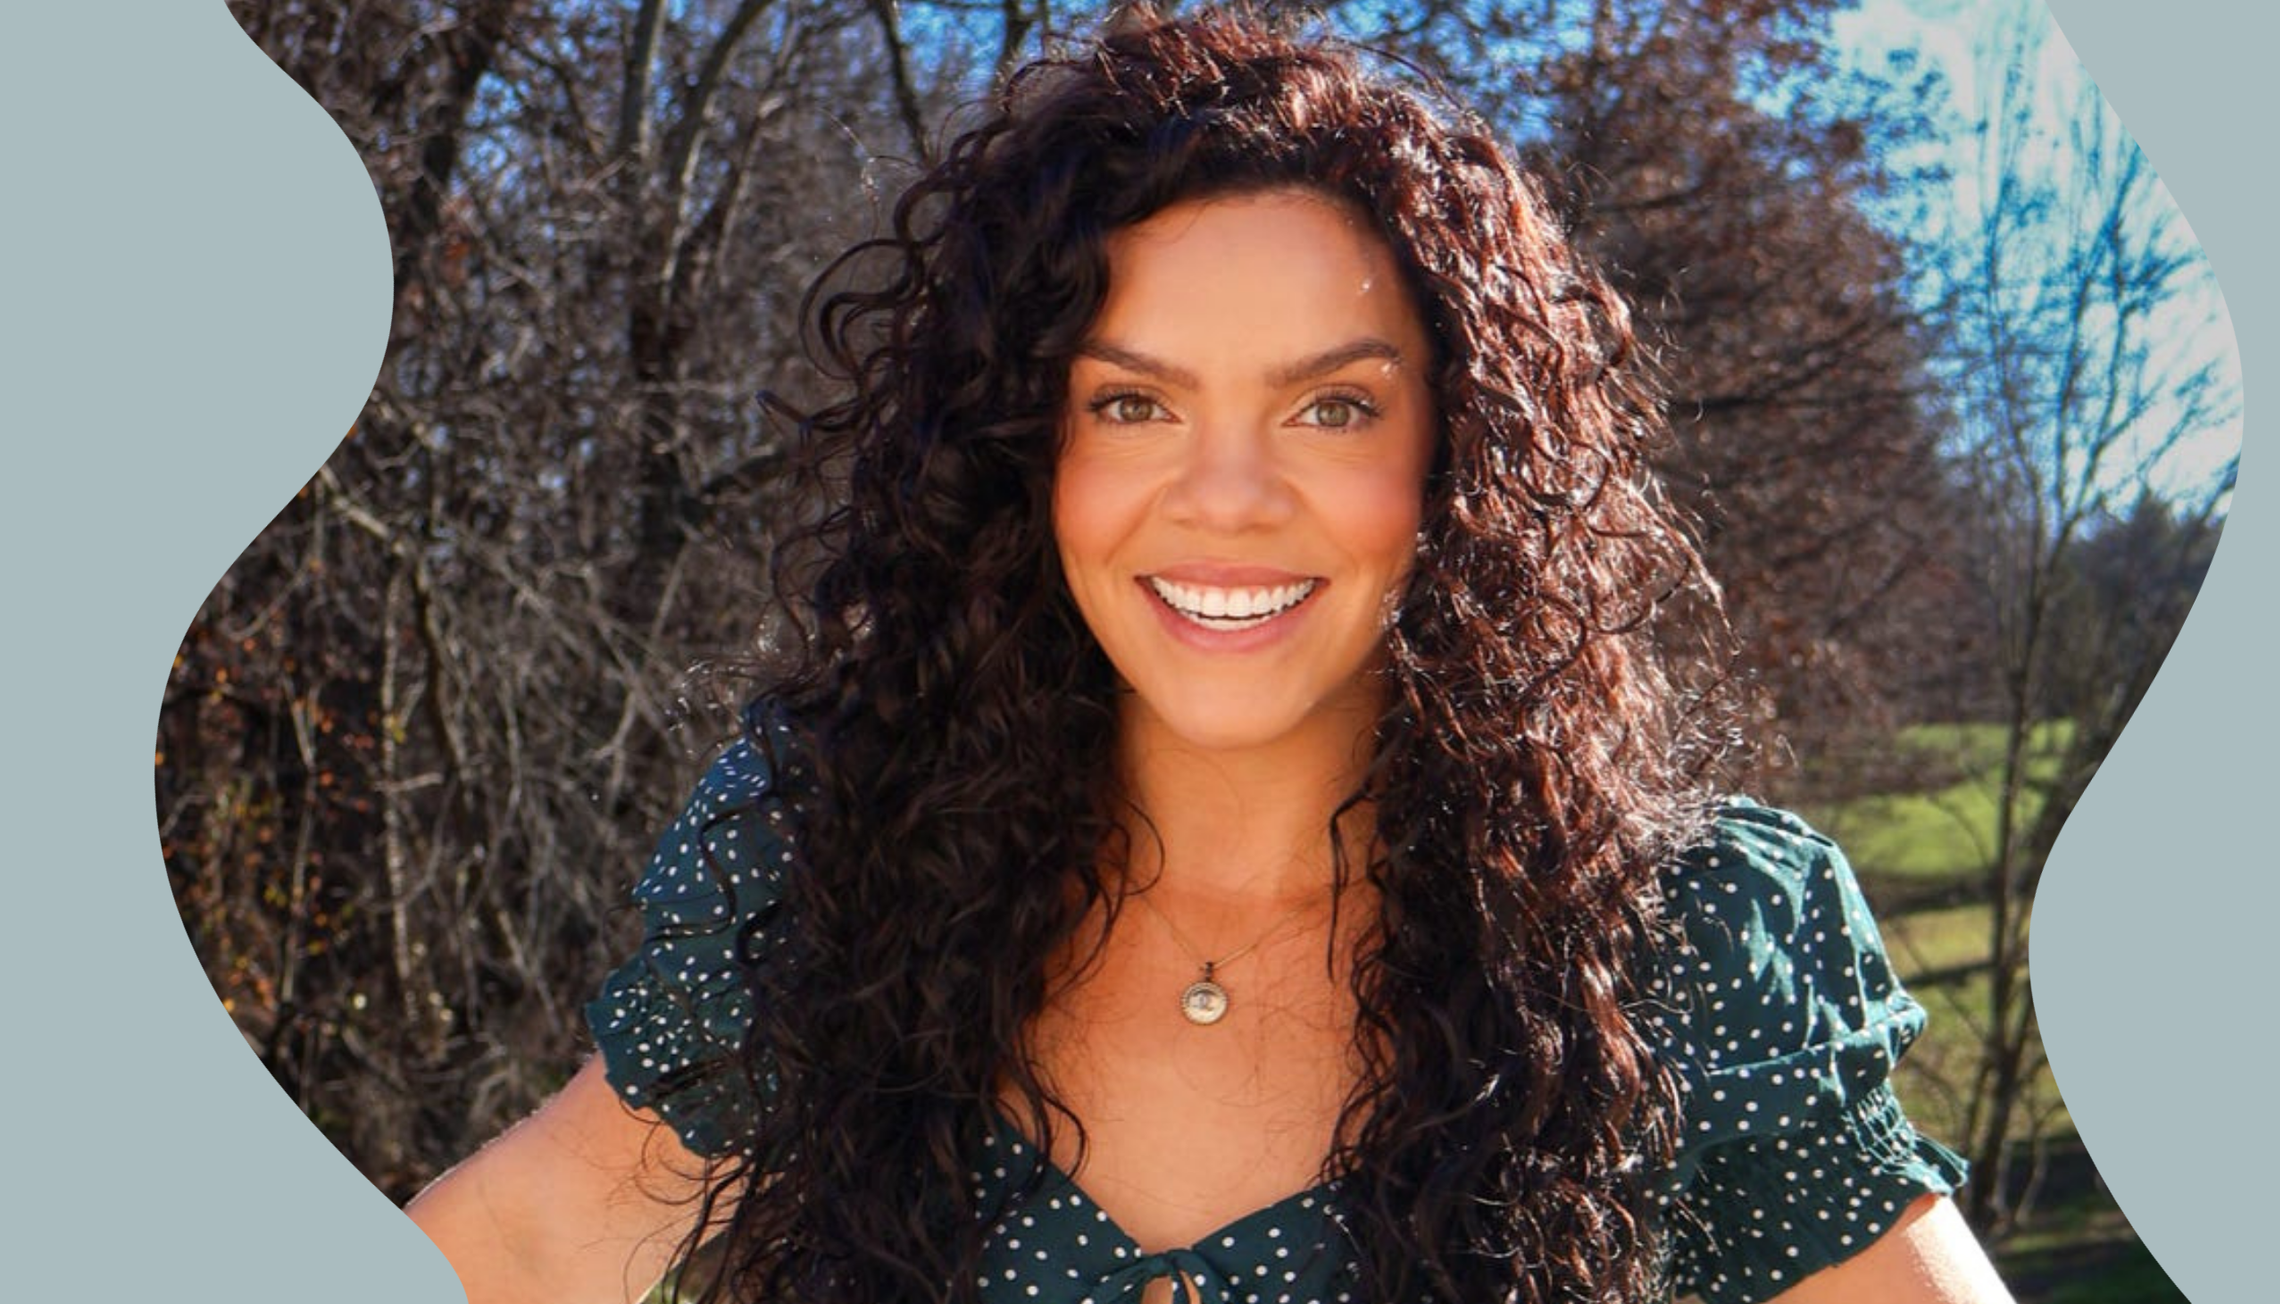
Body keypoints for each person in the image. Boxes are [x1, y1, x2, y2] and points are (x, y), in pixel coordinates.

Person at [406, 11, 2013, 1304]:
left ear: (1462, 459)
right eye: (1133, 404)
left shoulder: (1671, 945)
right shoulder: (838, 861)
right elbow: (528, 1251)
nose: (1228, 499)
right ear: (1023, 455)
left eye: (1331, 407)